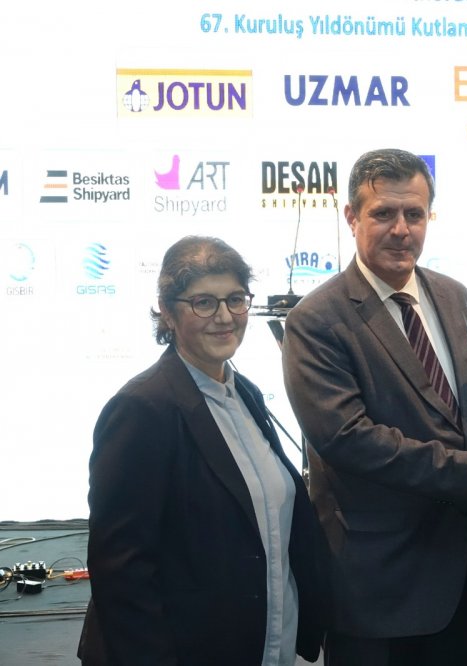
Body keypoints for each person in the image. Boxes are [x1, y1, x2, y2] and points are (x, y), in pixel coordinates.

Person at [281, 148, 467, 666]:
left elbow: (451, 395)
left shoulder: (450, 294)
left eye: (414, 214)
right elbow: (347, 438)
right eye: (383, 213)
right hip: (379, 583)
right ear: (352, 217)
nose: (401, 230)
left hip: (462, 569)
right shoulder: (315, 320)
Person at [78, 236, 332, 665]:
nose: (224, 316)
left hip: (264, 645)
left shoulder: (245, 394)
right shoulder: (141, 409)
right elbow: (121, 570)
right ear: (168, 311)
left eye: (235, 299)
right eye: (203, 303)